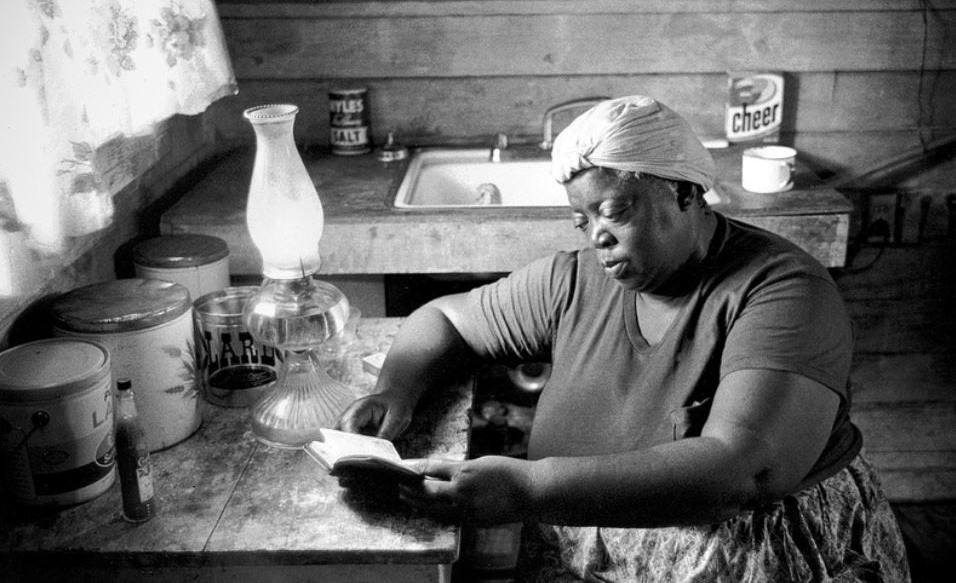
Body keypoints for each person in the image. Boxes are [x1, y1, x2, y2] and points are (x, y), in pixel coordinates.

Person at [336, 95, 910, 581]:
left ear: (685, 192)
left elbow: (745, 469)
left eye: (614, 212)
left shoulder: (781, 292)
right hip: (586, 539)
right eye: (582, 221)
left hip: (744, 556)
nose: (598, 239)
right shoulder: (574, 279)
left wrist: (529, 489)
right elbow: (445, 318)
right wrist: (395, 392)